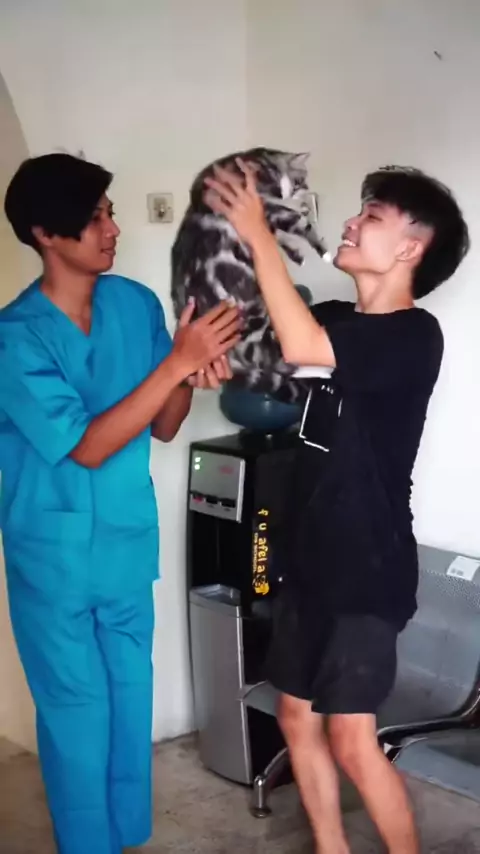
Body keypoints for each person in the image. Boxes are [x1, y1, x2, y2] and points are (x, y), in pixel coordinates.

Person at [204, 162, 469, 854]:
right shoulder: (333, 318)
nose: (351, 224)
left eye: (371, 218)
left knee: (353, 740)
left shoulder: (414, 336)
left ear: (410, 248)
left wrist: (261, 235)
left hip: (366, 574)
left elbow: (304, 347)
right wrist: (213, 362)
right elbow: (270, 359)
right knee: (296, 720)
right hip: (307, 562)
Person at [0, 152, 240, 854]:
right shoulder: (14, 338)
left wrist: (189, 372)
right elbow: (85, 446)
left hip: (127, 544)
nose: (112, 228)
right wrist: (175, 364)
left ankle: (126, 836)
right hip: (53, 557)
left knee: (130, 701)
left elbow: (163, 425)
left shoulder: (134, 305)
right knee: (77, 712)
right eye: (95, 217)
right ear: (46, 234)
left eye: (110, 212)